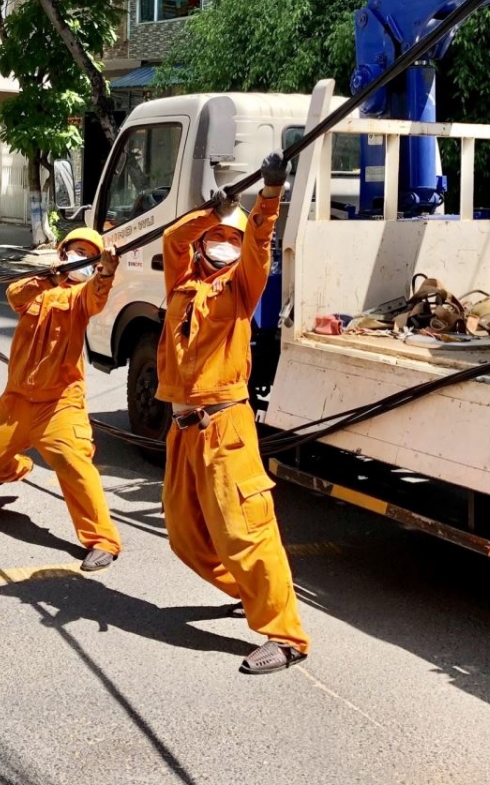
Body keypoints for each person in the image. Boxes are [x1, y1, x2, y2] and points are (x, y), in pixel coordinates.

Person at [158, 152, 310, 675]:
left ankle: (285, 635)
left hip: (225, 427)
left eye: (229, 238)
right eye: (214, 238)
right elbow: (170, 242)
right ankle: (250, 593)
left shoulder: (241, 290)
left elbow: (259, 246)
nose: (220, 244)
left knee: (246, 532)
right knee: (184, 534)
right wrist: (209, 212)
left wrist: (267, 197)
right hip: (183, 429)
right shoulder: (181, 281)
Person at [0, 228, 123, 572]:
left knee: (75, 465)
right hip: (17, 402)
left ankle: (103, 540)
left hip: (60, 403)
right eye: (76, 251)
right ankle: (19, 467)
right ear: (62, 253)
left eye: (89, 254)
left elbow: (97, 297)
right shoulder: (39, 286)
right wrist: (45, 278)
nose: (81, 258)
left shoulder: (82, 294)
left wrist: (107, 272)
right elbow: (14, 295)